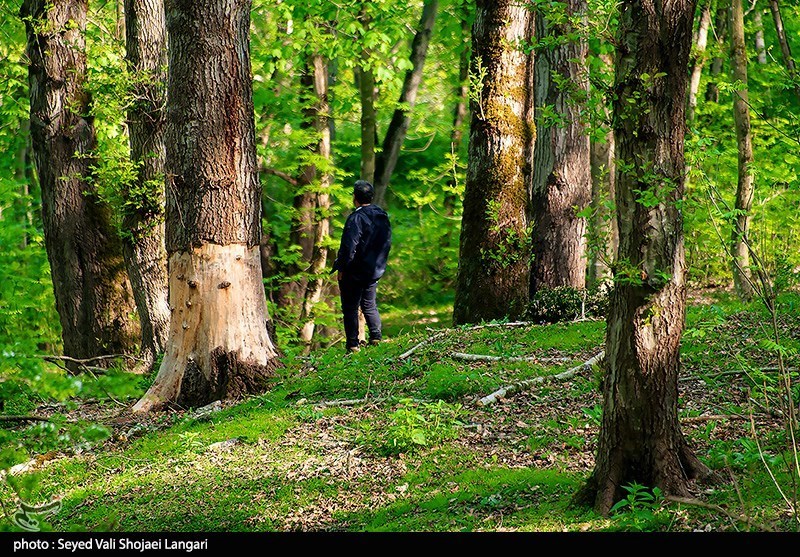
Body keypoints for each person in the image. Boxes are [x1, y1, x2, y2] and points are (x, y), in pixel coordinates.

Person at [332, 180, 392, 353]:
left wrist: (341, 268)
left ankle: (353, 344)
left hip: (354, 271)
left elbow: (348, 247)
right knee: (369, 304)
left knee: (350, 307)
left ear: (355, 198)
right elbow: (386, 243)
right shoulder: (382, 215)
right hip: (374, 270)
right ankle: (376, 337)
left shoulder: (356, 217)